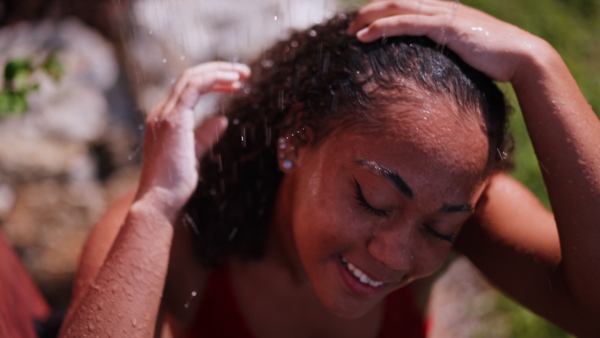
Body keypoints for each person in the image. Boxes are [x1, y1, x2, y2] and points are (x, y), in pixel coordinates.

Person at [59, 0, 600, 337]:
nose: (396, 254)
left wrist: (539, 65)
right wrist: (154, 208)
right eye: (372, 199)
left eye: (439, 230)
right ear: (295, 139)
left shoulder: (461, 207)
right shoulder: (180, 236)